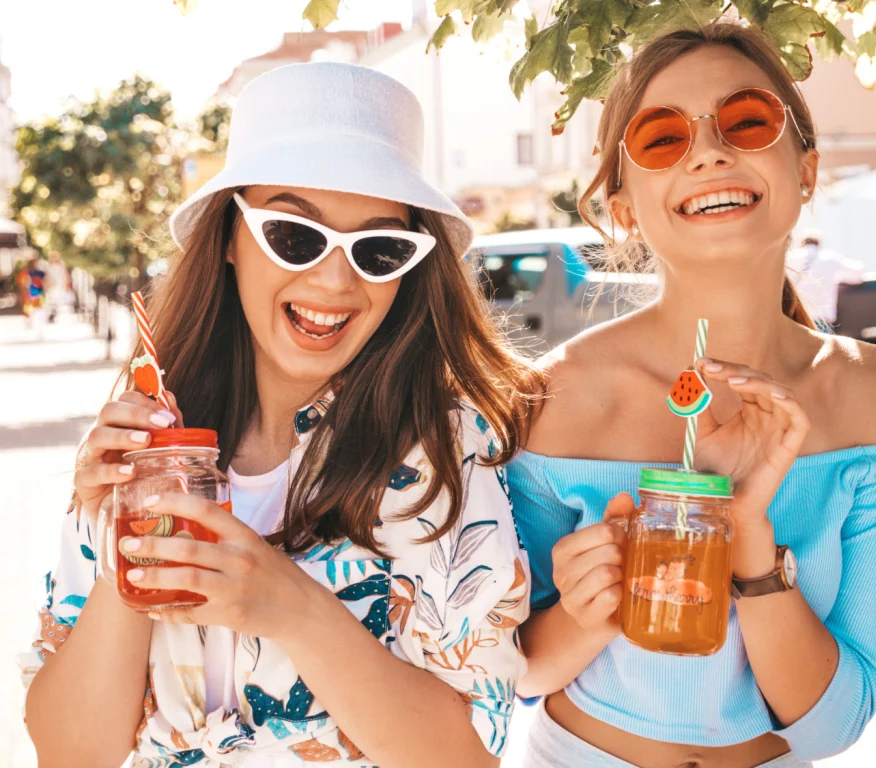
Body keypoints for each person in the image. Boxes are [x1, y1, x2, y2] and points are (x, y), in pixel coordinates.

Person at [19, 62, 540, 767]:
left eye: (379, 248)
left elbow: (468, 757)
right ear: (231, 238)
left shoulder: (442, 452)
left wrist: (288, 604)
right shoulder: (143, 443)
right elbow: (70, 754)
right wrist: (126, 544)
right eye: (295, 235)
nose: (334, 280)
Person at [508, 21, 876, 768]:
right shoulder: (552, 399)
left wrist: (751, 541)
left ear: (806, 171)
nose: (708, 150)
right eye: (663, 139)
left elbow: (835, 727)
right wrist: (588, 608)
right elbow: (515, 672)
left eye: (747, 121)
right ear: (625, 206)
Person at [786, 230, 863, 329]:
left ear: (802, 243)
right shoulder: (829, 258)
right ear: (819, 244)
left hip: (796, 319)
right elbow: (857, 275)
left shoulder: (791, 257)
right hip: (822, 319)